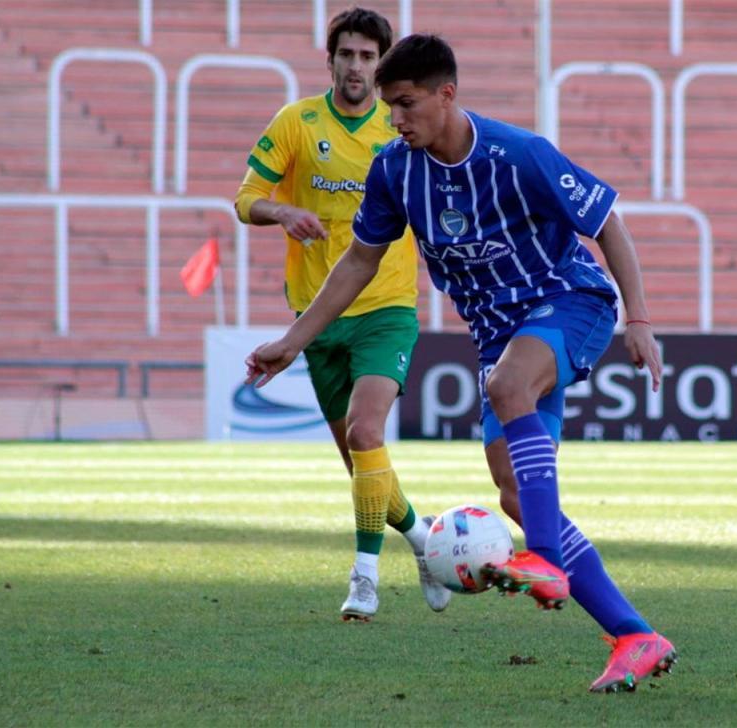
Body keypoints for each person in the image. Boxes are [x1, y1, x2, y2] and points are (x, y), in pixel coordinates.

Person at [246, 33, 677, 693]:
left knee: (510, 390)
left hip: (570, 302)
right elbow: (360, 259)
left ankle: (548, 562)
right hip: (499, 334)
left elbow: (607, 221)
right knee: (515, 493)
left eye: (407, 104)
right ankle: (633, 634)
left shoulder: (519, 154)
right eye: (391, 107)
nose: (395, 119)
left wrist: (639, 319)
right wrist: (294, 338)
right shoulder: (395, 169)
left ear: (447, 95)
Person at [234, 8, 450, 622]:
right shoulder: (297, 123)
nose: (356, 67)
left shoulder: (400, 124)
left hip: (386, 308)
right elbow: (246, 198)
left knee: (365, 433)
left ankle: (364, 580)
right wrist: (280, 213)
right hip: (317, 315)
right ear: (329, 59)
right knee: (362, 464)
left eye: (367, 57)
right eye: (347, 55)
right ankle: (425, 541)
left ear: (380, 64)